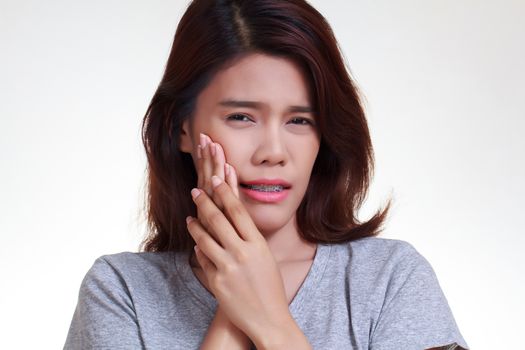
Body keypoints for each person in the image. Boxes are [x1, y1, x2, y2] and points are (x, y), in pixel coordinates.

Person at [64, 0, 470, 349]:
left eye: (299, 121)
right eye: (241, 117)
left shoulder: (389, 279)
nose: (274, 152)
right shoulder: (121, 292)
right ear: (180, 128)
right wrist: (232, 310)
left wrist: (270, 322)